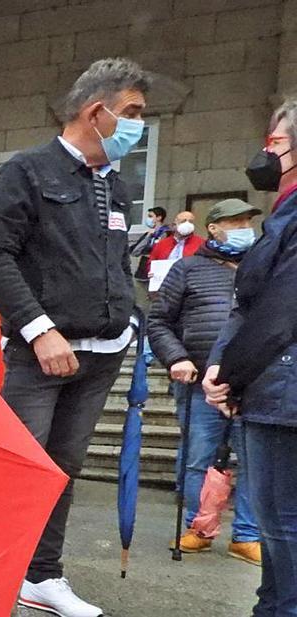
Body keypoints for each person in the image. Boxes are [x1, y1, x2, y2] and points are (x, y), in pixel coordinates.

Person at [0, 58, 149, 617]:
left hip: (101, 354)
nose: (137, 126)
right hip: (41, 354)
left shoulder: (116, 187)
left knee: (62, 470)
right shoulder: (28, 171)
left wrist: (129, 320)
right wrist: (39, 329)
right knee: (21, 468)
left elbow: (115, 262)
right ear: (95, 112)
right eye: (132, 113)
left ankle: (41, 575)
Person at [205, 98, 297, 615]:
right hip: (275, 389)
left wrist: (229, 377)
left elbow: (279, 312)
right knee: (279, 528)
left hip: (282, 394)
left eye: (277, 144)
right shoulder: (285, 216)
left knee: (282, 525)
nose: (266, 153)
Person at [149, 199, 262, 564]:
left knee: (253, 460)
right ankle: (199, 528)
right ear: (213, 227)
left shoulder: (263, 267)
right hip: (198, 381)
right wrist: (176, 357)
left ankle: (246, 535)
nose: (245, 225)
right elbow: (159, 321)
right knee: (199, 458)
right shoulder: (186, 270)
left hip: (253, 382)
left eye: (248, 219)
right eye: (236, 220)